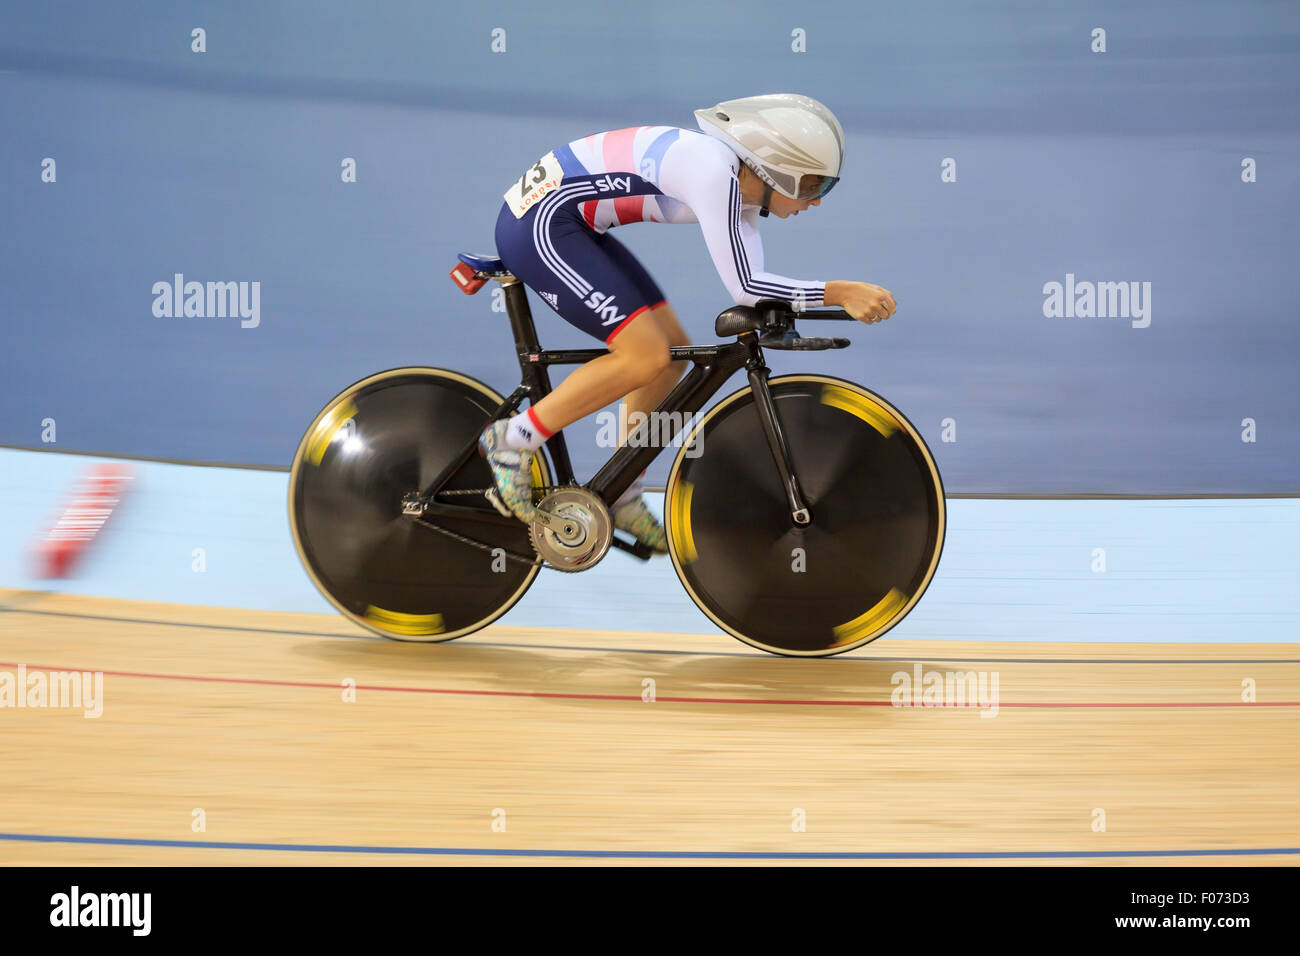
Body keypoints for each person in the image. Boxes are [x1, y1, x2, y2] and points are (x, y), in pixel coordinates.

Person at [481, 93, 897, 553]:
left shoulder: (742, 194)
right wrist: (839, 291)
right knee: (645, 355)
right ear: (777, 169)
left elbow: (754, 282)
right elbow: (748, 288)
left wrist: (809, 302)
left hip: (573, 224)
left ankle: (624, 493)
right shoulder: (715, 172)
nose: (816, 201)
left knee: (670, 357)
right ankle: (513, 440)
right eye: (813, 184)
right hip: (538, 224)